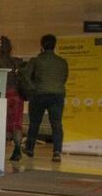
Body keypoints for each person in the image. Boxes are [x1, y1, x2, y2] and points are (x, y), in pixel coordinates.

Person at [22, 34, 69, 162]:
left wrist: (32, 88)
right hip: (57, 95)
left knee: (35, 123)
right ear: (55, 45)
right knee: (57, 124)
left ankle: (30, 149)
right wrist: (56, 87)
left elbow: (26, 76)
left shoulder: (35, 61)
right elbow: (64, 78)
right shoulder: (62, 62)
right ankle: (57, 152)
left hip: (39, 94)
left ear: (41, 45)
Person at [0, 36, 25, 161]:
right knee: (16, 125)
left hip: (2, 96)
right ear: (10, 48)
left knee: (0, 123)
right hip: (17, 96)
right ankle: (17, 150)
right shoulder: (17, 62)